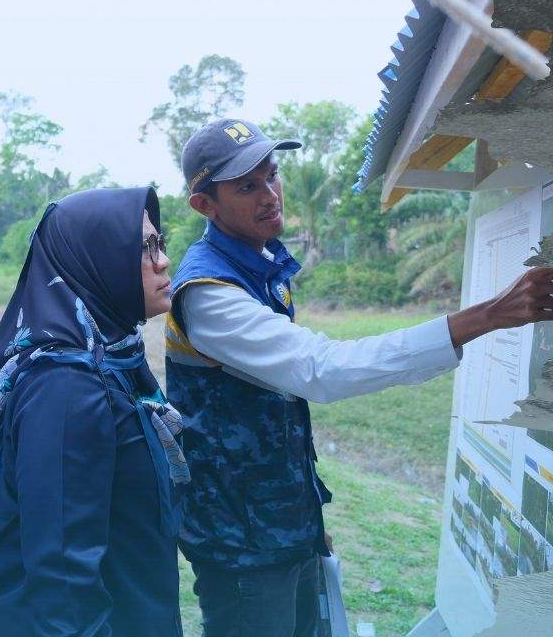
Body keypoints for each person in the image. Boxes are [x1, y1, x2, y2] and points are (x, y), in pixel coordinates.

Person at [164, 118, 553, 637]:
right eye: (246, 186)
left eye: (272, 175)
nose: (270, 195)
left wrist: (307, 524)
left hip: (276, 527)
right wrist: (487, 315)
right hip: (243, 545)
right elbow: (322, 370)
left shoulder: (252, 264)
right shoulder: (209, 293)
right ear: (204, 205)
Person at [0, 186, 187, 636]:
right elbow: (63, 577)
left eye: (160, 242)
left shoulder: (114, 357)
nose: (163, 260)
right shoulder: (66, 385)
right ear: (96, 261)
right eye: (144, 248)